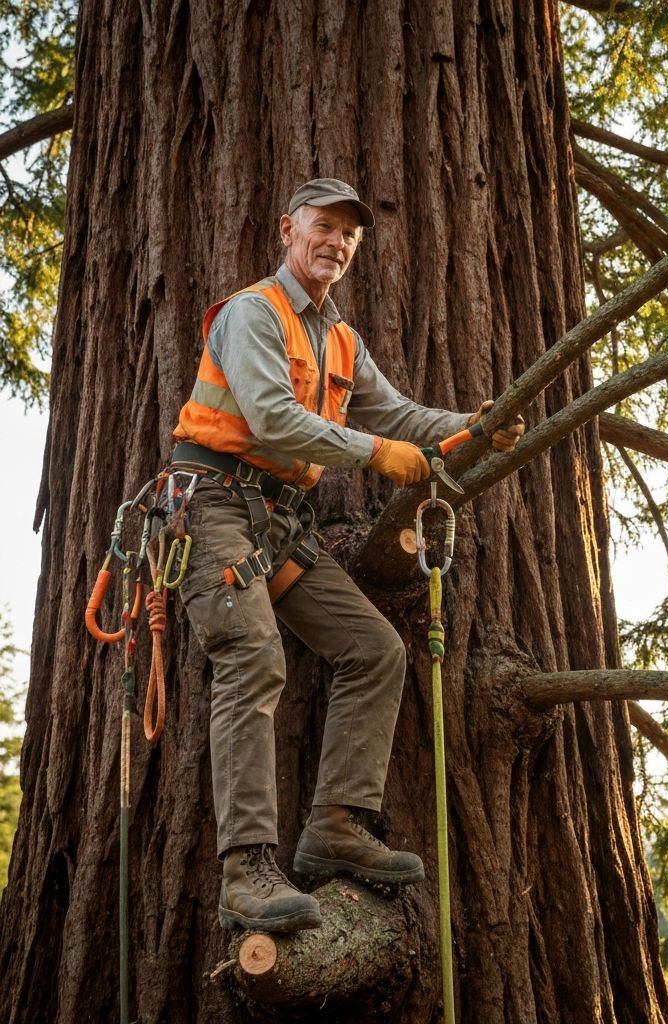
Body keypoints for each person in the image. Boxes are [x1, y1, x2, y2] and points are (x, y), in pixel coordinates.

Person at [168, 178, 523, 933]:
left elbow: (395, 413)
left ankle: (334, 826)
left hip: (279, 524)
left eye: (349, 236)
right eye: (324, 228)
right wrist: (380, 456)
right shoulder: (251, 313)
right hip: (215, 505)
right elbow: (273, 419)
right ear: (288, 229)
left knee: (374, 650)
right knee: (254, 658)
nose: (336, 243)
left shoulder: (341, 340)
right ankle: (246, 873)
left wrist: (475, 424)